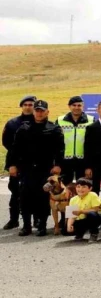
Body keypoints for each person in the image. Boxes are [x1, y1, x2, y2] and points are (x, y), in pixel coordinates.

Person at [11, 99, 64, 236]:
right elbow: (15, 149)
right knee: (25, 197)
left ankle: (42, 225)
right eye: (37, 111)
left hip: (45, 169)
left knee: (43, 197)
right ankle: (26, 226)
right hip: (26, 169)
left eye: (42, 111)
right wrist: (12, 165)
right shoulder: (24, 128)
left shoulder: (54, 129)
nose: (39, 113)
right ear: (33, 112)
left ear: (47, 112)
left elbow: (60, 149)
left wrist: (58, 165)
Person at [2, 94, 36, 230]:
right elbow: (7, 144)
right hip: (17, 163)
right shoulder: (12, 123)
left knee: (35, 193)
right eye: (25, 105)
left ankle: (36, 220)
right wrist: (12, 165)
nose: (28, 107)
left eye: (31, 105)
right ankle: (13, 219)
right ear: (21, 106)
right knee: (15, 192)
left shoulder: (40, 121)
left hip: (35, 165)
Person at [56, 95, 94, 185]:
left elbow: (94, 145)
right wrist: (57, 164)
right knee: (64, 188)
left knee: (83, 188)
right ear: (69, 106)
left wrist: (89, 166)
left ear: (83, 106)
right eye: (74, 105)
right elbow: (55, 143)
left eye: (79, 105)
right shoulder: (60, 120)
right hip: (65, 162)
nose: (76, 107)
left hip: (83, 161)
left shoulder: (91, 120)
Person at [66, 177, 101, 243]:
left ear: (90, 188)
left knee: (91, 215)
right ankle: (80, 233)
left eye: (84, 187)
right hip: (81, 220)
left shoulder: (93, 195)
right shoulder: (73, 199)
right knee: (65, 230)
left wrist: (81, 211)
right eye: (78, 187)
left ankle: (94, 233)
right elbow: (71, 215)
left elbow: (96, 209)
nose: (80, 189)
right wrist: (69, 226)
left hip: (93, 218)